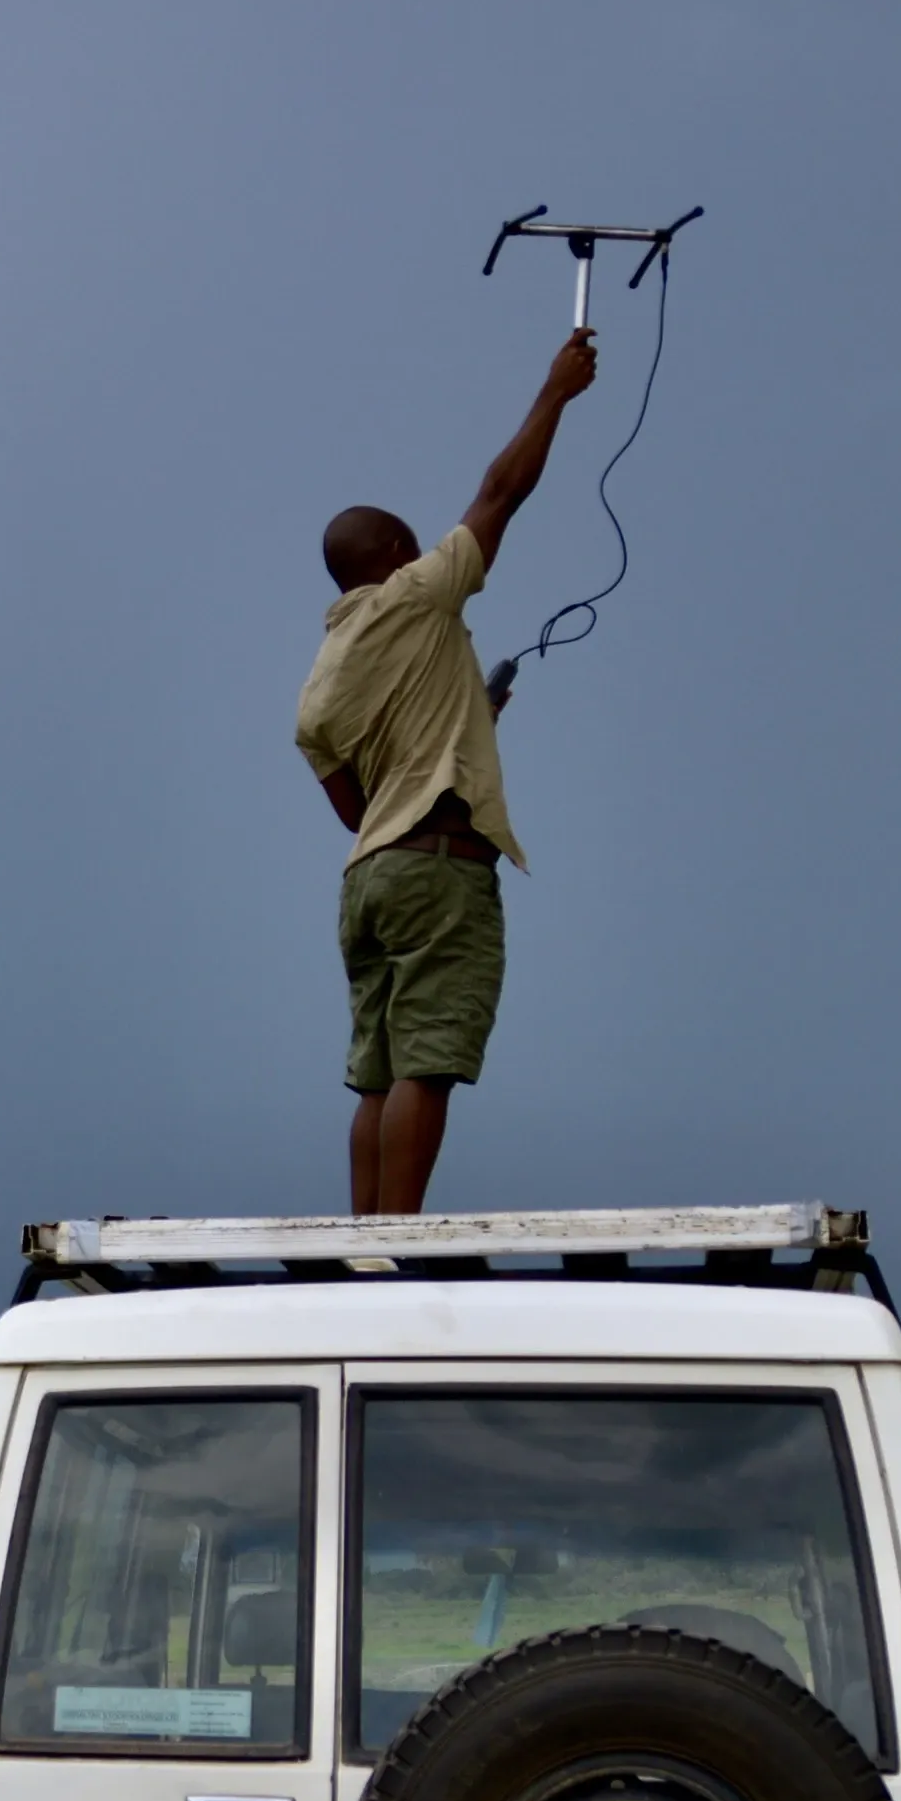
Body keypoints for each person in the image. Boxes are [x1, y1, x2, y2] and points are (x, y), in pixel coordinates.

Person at [293, 329, 600, 1215]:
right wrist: (555, 393)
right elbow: (502, 493)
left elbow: (357, 809)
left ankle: (365, 1243)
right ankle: (400, 1242)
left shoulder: (319, 683)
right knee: (428, 1060)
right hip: (438, 870)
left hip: (369, 882)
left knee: (376, 1076)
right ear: (394, 552)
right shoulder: (420, 595)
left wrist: (472, 719)